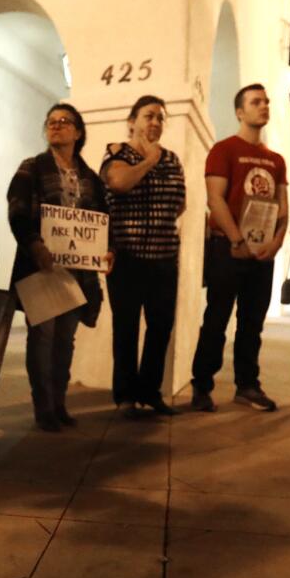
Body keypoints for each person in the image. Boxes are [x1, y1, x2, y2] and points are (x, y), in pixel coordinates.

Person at [9, 103, 109, 431]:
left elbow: (103, 223)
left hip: (77, 273)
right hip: (41, 268)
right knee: (42, 338)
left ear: (78, 132)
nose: (56, 126)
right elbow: (18, 211)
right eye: (51, 121)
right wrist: (35, 245)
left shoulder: (91, 179)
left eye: (64, 121)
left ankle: (60, 401)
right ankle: (44, 407)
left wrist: (107, 252)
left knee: (66, 339)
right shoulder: (32, 168)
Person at [190, 83, 288, 412]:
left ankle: (247, 385)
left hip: (262, 255)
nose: (264, 106)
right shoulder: (224, 150)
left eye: (266, 101)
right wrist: (236, 240)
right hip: (227, 249)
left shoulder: (276, 160)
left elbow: (282, 207)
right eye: (255, 102)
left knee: (252, 324)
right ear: (239, 111)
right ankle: (202, 386)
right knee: (216, 319)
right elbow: (214, 199)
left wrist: (274, 243)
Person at [101, 95, 186, 417]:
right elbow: (119, 183)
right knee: (126, 328)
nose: (155, 122)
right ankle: (125, 397)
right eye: (149, 116)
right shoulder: (116, 155)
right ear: (132, 121)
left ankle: (150, 392)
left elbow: (180, 202)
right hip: (127, 259)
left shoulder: (173, 159)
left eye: (161, 118)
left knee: (161, 327)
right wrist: (149, 160)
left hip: (164, 259)